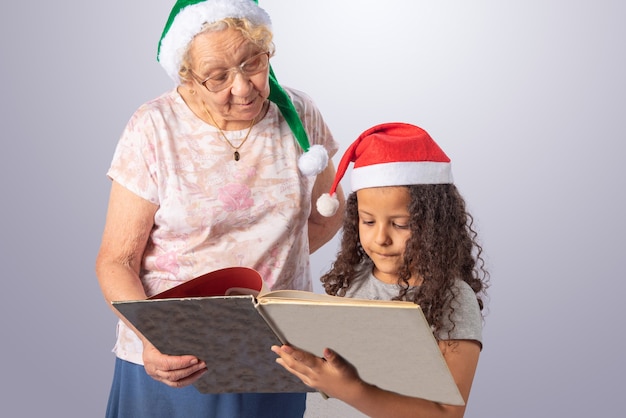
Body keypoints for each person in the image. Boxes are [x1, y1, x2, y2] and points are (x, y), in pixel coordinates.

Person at [95, 0, 345, 417]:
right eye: (218, 77)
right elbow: (116, 260)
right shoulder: (153, 127)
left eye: (253, 63)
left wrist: (273, 264)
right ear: (188, 78)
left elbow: (326, 213)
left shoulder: (300, 114)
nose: (244, 87)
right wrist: (152, 339)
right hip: (177, 353)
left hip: (274, 347)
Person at [272, 122, 489, 418]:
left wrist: (351, 389)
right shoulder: (351, 282)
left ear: (436, 225)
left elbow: (448, 414)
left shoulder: (452, 299)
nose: (381, 239)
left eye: (401, 224)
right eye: (368, 221)